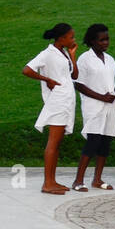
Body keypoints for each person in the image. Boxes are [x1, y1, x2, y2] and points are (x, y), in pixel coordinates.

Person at [22, 23, 79, 194]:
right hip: (57, 103)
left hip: (66, 102)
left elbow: (75, 75)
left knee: (57, 143)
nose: (74, 40)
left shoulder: (64, 53)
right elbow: (26, 70)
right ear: (61, 38)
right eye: (71, 37)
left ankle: (52, 180)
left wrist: (73, 56)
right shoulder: (47, 54)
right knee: (53, 143)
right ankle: (48, 183)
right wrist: (46, 79)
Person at [72, 23, 115, 191]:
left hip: (111, 107)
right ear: (92, 41)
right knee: (92, 142)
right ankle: (78, 180)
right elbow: (79, 84)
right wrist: (101, 97)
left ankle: (97, 179)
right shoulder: (84, 59)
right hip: (94, 106)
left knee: (105, 143)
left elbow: (112, 85)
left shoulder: (111, 60)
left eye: (107, 39)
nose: (106, 43)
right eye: (101, 40)